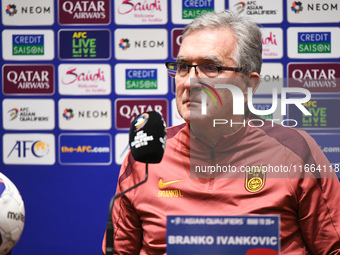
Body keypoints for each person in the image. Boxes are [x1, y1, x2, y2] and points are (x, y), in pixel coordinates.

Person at [103, 10, 340, 254]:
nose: (189, 82)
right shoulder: (146, 157)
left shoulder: (296, 151)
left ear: (249, 84)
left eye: (210, 67)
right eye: (183, 67)